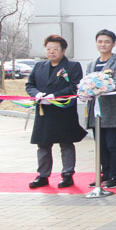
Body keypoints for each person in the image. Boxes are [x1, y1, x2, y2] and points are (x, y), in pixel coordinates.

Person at [26, 35, 86, 189]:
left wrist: (55, 96)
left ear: (63, 50)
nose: (51, 52)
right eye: (48, 49)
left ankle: (67, 175)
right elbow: (30, 84)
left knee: (66, 143)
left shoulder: (72, 66)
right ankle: (43, 175)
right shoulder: (39, 66)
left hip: (63, 111)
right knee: (43, 144)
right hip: (44, 111)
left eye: (55, 49)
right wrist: (36, 94)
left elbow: (74, 87)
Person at [85, 29, 116, 189]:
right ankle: (103, 173)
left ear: (113, 44)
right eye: (100, 41)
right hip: (94, 111)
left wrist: (99, 87)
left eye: (107, 41)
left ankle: (114, 176)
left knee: (111, 143)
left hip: (111, 110)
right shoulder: (91, 64)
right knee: (100, 145)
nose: (103, 44)